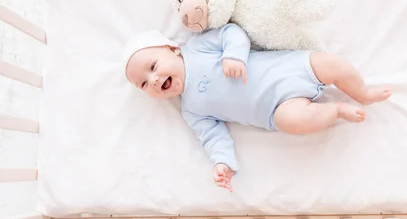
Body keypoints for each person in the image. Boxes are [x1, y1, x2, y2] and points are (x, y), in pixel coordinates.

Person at [123, 24, 390, 191]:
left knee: (331, 64)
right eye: (144, 85)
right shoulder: (191, 109)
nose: (154, 80)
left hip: (291, 67)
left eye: (153, 67)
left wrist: (233, 55)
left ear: (172, 49)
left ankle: (362, 92)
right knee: (294, 123)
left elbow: (232, 32)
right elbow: (213, 137)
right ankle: (335, 111)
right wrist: (223, 162)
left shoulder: (197, 49)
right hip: (278, 107)